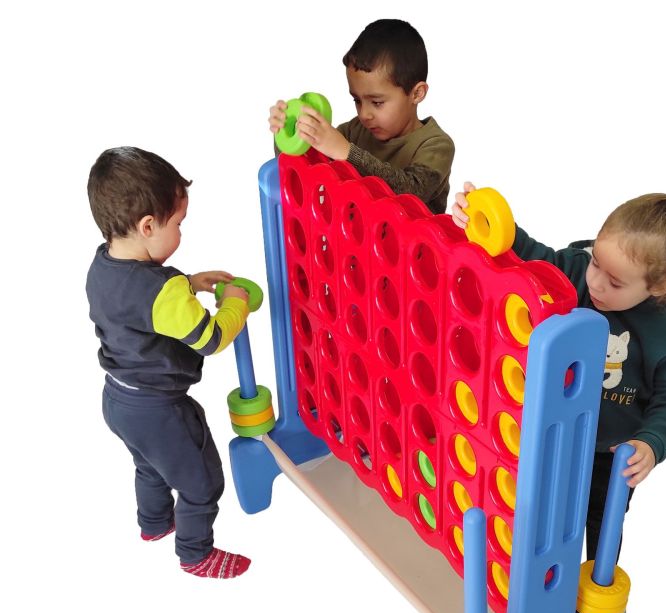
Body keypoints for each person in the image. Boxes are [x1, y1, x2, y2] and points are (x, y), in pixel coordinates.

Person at [452, 183, 666, 561]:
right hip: (550, 434)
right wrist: (491, 224)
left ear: (660, 286)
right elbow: (532, 258)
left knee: (601, 520)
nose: (595, 282)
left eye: (615, 282)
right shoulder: (577, 270)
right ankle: (532, 571)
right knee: (534, 508)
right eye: (596, 263)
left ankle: (594, 583)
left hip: (608, 454)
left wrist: (651, 442)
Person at [86, 146, 252, 579]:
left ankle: (154, 523)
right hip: (159, 409)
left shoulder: (102, 265)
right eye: (178, 223)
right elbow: (210, 338)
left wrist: (189, 283)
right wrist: (236, 304)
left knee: (149, 464)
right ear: (147, 226)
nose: (181, 232)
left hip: (118, 401)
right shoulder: (164, 294)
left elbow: (137, 304)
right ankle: (196, 554)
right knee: (202, 482)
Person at [269, 19, 455, 214]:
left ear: (416, 94)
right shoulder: (354, 131)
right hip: (352, 233)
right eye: (357, 100)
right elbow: (304, 176)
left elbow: (412, 193)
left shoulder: (436, 145)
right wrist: (289, 135)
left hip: (412, 235)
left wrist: (347, 152)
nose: (364, 114)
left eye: (377, 102)